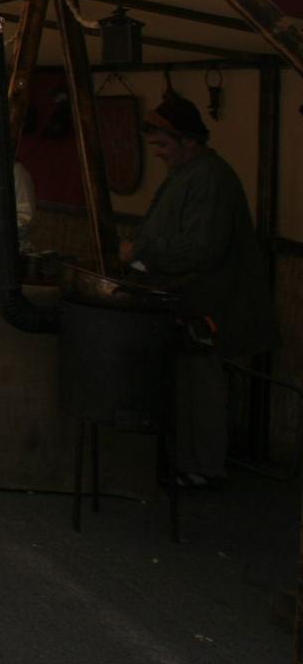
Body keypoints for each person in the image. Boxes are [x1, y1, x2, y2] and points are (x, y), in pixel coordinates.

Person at [121, 93, 276, 487]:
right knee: (185, 385)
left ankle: (201, 468)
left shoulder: (210, 178)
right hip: (184, 298)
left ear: (188, 140)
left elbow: (201, 246)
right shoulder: (185, 175)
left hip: (207, 303)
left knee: (199, 386)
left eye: (162, 145)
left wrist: (142, 252)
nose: (157, 153)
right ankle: (185, 459)